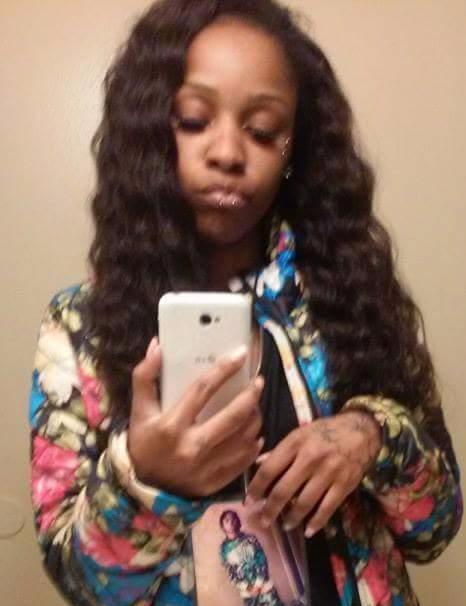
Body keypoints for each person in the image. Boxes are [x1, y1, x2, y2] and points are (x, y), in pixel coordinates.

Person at [29, 1, 462, 605]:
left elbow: (435, 529)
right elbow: (79, 583)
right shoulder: (81, 329)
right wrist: (145, 481)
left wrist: (372, 436)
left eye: (261, 131)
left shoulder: (349, 295)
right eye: (193, 120)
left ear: (293, 151)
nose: (229, 153)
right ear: (149, 134)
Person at [219, 510, 284, 606]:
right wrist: (247, 587)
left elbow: (261, 560)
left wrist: (258, 584)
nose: (231, 523)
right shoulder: (224, 549)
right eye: (227, 520)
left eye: (233, 519)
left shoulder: (250, 539)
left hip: (264, 585)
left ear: (238, 522)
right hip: (248, 593)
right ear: (222, 526)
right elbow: (230, 572)